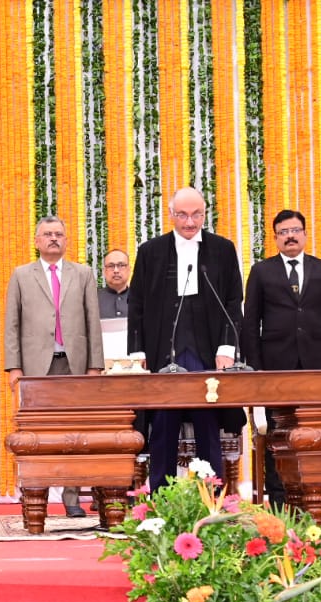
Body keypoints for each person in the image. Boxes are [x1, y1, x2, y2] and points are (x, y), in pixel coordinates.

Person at [127, 187, 244, 492]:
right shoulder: (151, 252)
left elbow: (233, 302)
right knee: (164, 424)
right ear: (171, 215)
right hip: (163, 352)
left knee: (208, 423)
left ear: (205, 214)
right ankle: (161, 498)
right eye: (183, 214)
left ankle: (213, 496)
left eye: (197, 214)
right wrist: (137, 353)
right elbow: (136, 304)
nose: (190, 222)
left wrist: (227, 348)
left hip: (207, 352)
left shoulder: (222, 249)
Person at [240, 208, 321, 508]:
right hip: (275, 368)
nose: (290, 236)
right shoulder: (262, 271)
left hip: (314, 368)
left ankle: (313, 493)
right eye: (283, 232)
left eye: (295, 230)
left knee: (311, 431)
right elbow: (250, 324)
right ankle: (279, 499)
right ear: (275, 239)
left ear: (305, 234)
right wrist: (256, 369)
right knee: (277, 433)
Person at [4, 215, 104, 518]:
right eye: (47, 234)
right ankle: (37, 497)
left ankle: (72, 500)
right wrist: (14, 367)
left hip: (74, 367)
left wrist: (94, 366)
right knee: (36, 435)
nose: (53, 239)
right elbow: (12, 325)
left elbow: (92, 322)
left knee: (75, 434)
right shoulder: (22, 275)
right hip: (36, 370)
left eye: (59, 234)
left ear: (66, 239)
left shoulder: (83, 274)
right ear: (36, 241)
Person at [98, 248, 131, 320]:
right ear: (104, 271)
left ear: (129, 269)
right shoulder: (93, 298)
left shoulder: (141, 298)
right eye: (111, 266)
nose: (116, 270)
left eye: (121, 265)